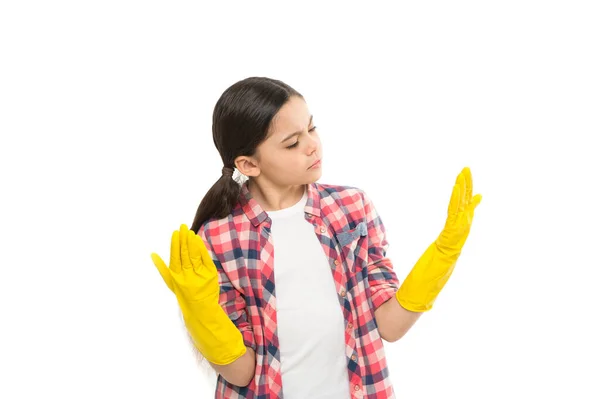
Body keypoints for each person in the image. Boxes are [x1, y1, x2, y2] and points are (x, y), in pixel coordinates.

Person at [150, 76, 482, 399]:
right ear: (249, 164)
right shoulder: (220, 237)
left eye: (311, 128)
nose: (312, 146)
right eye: (292, 142)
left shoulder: (351, 209)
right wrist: (200, 310)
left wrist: (444, 253)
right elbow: (241, 372)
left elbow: (390, 326)